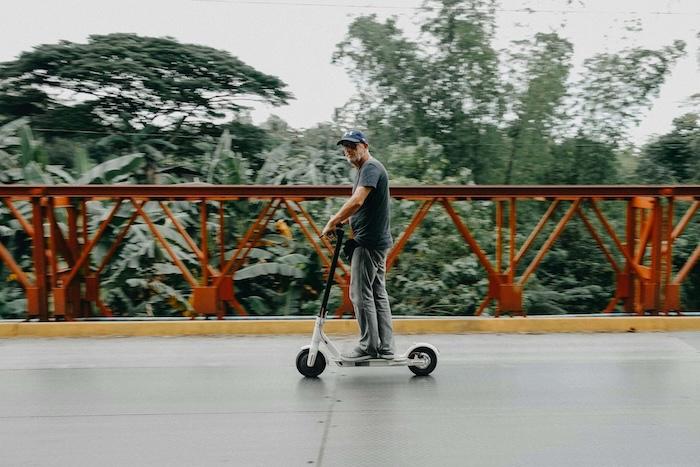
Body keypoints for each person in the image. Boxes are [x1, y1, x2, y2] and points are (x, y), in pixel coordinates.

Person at [320, 130, 395, 361]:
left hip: (369, 243)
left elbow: (357, 200)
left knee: (360, 294)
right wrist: (342, 221)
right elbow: (361, 206)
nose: (348, 150)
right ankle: (385, 347)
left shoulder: (371, 167)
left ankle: (368, 346)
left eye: (352, 145)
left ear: (364, 145)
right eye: (345, 147)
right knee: (376, 293)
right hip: (376, 241)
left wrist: (333, 221)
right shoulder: (366, 169)